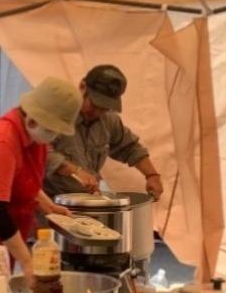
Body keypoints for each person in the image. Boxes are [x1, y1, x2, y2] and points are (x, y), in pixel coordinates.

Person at [0, 77, 80, 282]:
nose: (53, 137)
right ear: (32, 120)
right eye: (52, 130)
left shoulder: (35, 137)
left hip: (0, 243)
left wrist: (47, 205)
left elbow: (20, 179)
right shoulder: (3, 141)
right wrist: (27, 261)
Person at [42, 65, 164, 202]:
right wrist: (74, 171)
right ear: (82, 87)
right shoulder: (55, 113)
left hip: (86, 203)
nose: (98, 112)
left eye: (105, 108)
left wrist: (152, 175)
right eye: (94, 105)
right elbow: (40, 152)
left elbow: (130, 148)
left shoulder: (108, 120)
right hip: (49, 202)